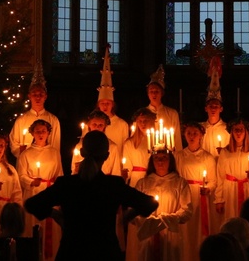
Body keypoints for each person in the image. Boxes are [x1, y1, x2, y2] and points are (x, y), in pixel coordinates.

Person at [24, 131, 157, 261]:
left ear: (82, 153)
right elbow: (150, 203)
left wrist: (55, 214)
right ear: (106, 155)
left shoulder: (66, 184)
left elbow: (32, 204)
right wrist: (129, 215)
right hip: (106, 252)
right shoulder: (113, 185)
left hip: (72, 252)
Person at [16, 119, 62, 258]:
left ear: (48, 133)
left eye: (43, 131)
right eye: (37, 131)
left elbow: (59, 174)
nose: (41, 134)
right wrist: (31, 181)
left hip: (50, 192)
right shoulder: (26, 154)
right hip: (33, 193)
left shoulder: (54, 152)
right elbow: (21, 175)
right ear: (32, 133)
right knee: (34, 227)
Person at [176, 122, 217, 260]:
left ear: (200, 135)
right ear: (184, 135)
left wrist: (208, 188)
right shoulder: (179, 156)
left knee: (199, 229)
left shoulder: (207, 157)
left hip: (200, 197)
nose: (192, 136)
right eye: (189, 133)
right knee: (185, 230)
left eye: (195, 133)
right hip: (184, 195)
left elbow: (213, 180)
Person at [9, 61, 61, 158]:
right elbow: (14, 143)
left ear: (45, 96)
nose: (38, 97)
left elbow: (55, 146)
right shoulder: (21, 120)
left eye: (41, 94)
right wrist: (22, 152)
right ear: (29, 96)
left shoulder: (53, 120)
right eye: (34, 94)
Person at [214, 118, 249, 222]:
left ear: (246, 132)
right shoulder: (225, 152)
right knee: (231, 219)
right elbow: (220, 177)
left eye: (241, 130)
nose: (239, 133)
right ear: (232, 132)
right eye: (236, 130)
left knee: (247, 219)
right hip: (230, 192)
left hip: (247, 189)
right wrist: (219, 199)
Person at [95, 45, 130, 151]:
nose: (105, 106)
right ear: (98, 105)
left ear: (113, 104)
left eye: (108, 103)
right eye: (102, 103)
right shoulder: (93, 123)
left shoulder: (122, 124)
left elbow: (125, 148)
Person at [69, 109, 123, 176]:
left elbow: (116, 171)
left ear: (105, 127)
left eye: (100, 125)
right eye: (94, 124)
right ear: (89, 125)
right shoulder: (80, 146)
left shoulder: (112, 147)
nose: (97, 127)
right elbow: (74, 170)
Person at [145, 64, 183, 151]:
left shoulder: (172, 113)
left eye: (156, 91)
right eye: (151, 91)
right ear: (148, 94)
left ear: (162, 93)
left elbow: (177, 138)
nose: (154, 94)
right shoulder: (143, 113)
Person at [200, 57, 230, 157]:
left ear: (221, 109)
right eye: (211, 106)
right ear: (206, 108)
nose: (213, 108)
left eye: (216, 106)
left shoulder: (227, 129)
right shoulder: (200, 129)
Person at [123, 109, 157, 187]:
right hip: (136, 180)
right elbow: (127, 166)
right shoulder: (130, 143)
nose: (143, 124)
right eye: (140, 121)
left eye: (145, 120)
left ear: (151, 121)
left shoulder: (159, 140)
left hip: (153, 178)